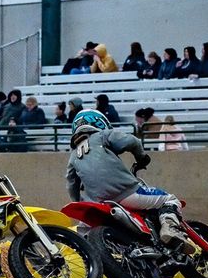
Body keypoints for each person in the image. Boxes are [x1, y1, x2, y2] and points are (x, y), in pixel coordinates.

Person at [65, 109, 194, 254]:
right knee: (169, 200)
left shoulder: (73, 155)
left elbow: (71, 183)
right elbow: (132, 141)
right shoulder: (103, 135)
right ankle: (170, 229)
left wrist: (78, 202)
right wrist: (141, 157)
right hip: (125, 193)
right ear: (99, 122)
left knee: (84, 232)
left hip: (97, 202)